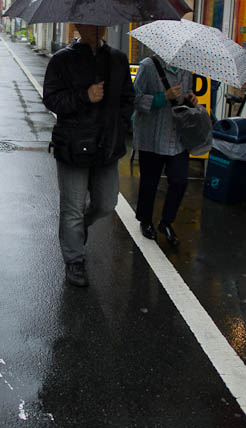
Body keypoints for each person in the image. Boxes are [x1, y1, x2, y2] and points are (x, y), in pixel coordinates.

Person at [43, 24, 134, 287]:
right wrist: (85, 96)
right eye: (90, 24)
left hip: (107, 147)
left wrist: (120, 125)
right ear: (78, 26)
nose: (97, 29)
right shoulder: (62, 59)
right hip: (73, 146)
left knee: (106, 203)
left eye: (101, 24)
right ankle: (74, 260)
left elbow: (128, 98)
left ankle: (76, 229)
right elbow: (52, 99)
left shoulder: (117, 59)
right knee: (72, 207)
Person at [133, 55, 196, 246]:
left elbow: (188, 94)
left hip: (177, 136)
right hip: (151, 135)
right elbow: (134, 98)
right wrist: (163, 97)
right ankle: (145, 221)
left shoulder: (186, 68)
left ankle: (166, 221)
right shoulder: (147, 66)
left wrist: (191, 98)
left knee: (179, 180)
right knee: (149, 181)